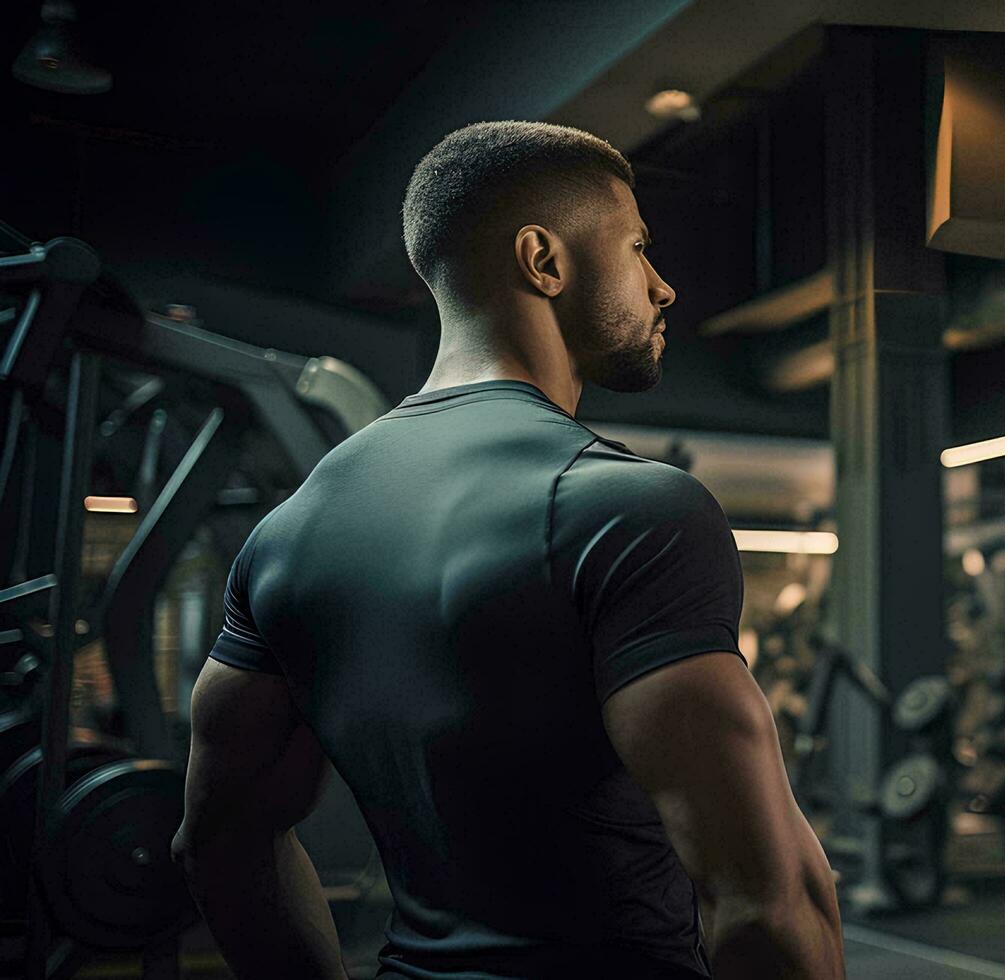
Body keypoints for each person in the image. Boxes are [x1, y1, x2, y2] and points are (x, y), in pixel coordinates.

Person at [171, 121, 845, 979]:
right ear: (543, 259)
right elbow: (770, 902)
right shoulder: (628, 510)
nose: (663, 286)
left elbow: (216, 847)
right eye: (637, 247)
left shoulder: (289, 533)